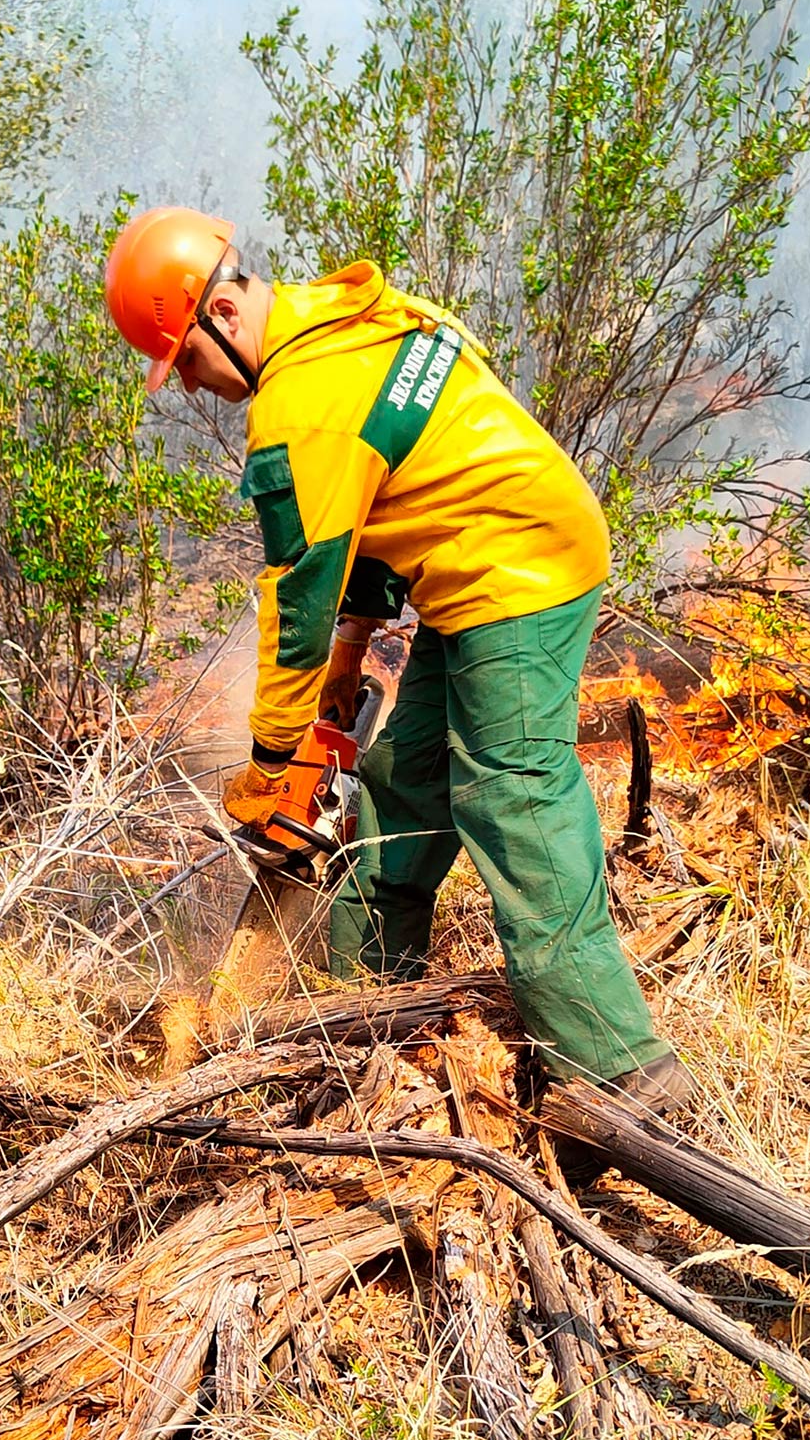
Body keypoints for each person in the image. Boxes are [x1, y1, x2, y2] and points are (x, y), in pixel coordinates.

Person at [104, 205, 693, 1115]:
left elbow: (296, 600)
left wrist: (272, 761)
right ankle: (365, 1008)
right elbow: (380, 510)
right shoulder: (355, 317)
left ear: (221, 314)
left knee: (511, 789)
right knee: (399, 782)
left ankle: (619, 1069)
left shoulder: (299, 412)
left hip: (520, 566)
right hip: (475, 558)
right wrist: (348, 664)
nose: (187, 384)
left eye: (183, 358)